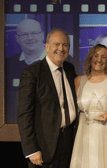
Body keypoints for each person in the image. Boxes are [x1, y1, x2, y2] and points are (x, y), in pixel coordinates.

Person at [17, 29, 78, 168]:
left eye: (65, 45)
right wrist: (31, 149)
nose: (61, 48)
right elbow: (24, 114)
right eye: (56, 44)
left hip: (69, 141)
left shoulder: (69, 69)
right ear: (47, 46)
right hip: (43, 146)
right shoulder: (32, 73)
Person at [70, 44, 107, 168]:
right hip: (85, 132)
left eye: (104, 57)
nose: (99, 60)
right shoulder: (78, 81)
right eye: (96, 55)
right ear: (90, 58)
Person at [7, 19, 46, 123]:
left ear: (42, 35)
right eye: (24, 34)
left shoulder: (60, 61)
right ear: (17, 39)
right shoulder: (9, 63)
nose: (30, 38)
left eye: (34, 33)